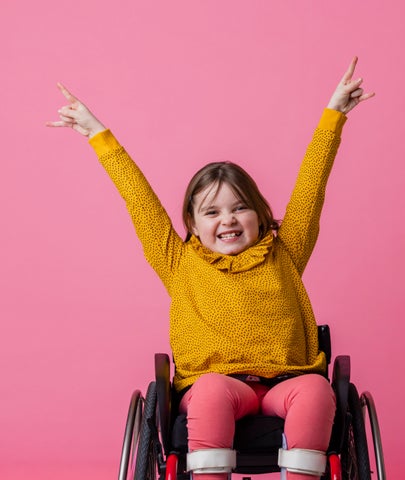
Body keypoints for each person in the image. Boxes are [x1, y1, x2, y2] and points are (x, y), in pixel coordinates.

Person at [47, 57, 374, 480]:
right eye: (213, 211)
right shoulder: (179, 261)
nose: (228, 220)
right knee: (211, 392)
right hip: (215, 385)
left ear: (260, 215)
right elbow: (140, 201)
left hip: (286, 383)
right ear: (193, 225)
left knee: (316, 391)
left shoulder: (285, 253)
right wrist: (98, 134)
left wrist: (333, 118)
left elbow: (312, 188)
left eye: (240, 207)